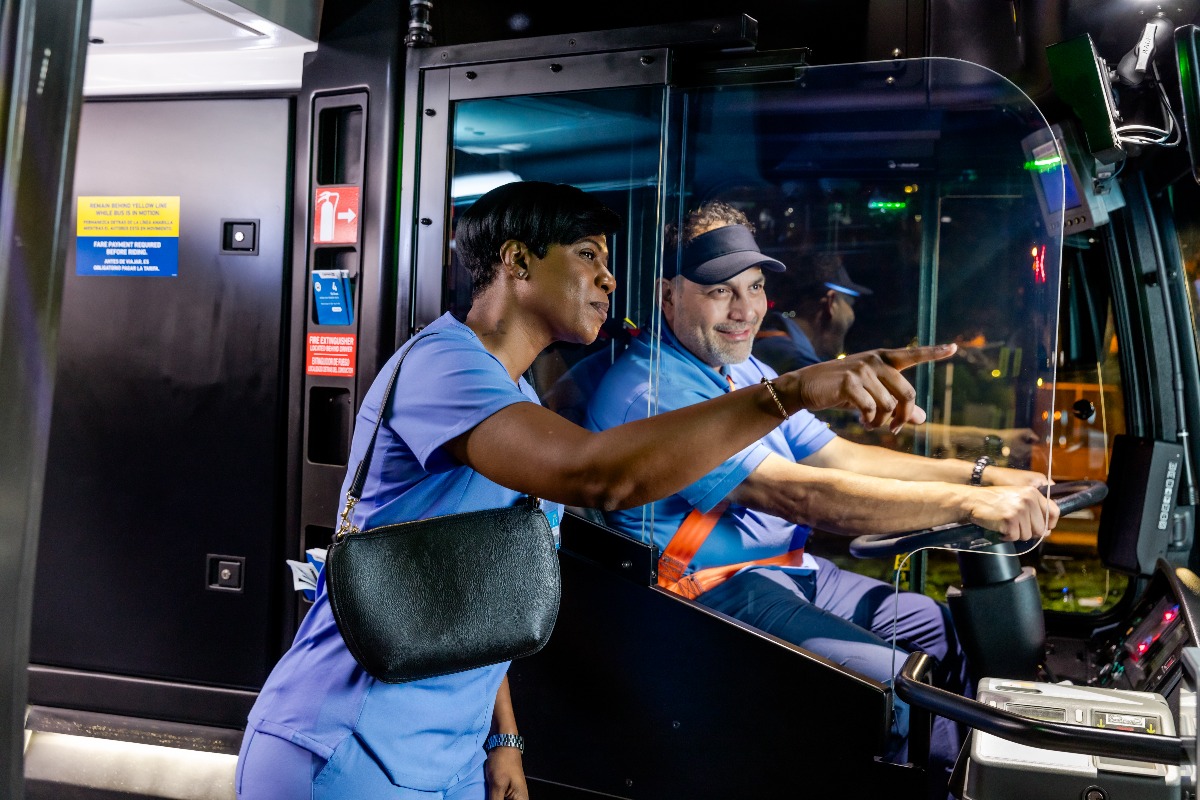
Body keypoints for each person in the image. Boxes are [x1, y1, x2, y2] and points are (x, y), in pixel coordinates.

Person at [235, 182, 955, 800]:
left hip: (445, 755)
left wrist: (502, 737)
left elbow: (482, 590)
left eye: (608, 262)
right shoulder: (443, 367)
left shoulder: (511, 393)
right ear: (517, 261)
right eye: (587, 256)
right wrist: (789, 392)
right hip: (348, 741)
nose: (610, 280)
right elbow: (599, 472)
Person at [584, 201, 1060, 795]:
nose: (745, 311)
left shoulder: (742, 372)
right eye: (720, 291)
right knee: (893, 687)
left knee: (934, 627)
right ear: (667, 295)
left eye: (755, 287)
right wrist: (967, 507)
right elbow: (802, 495)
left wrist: (981, 477)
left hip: (787, 571)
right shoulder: (655, 392)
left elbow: (840, 457)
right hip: (708, 595)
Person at [753, 250, 871, 372]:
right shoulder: (798, 363)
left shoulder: (771, 342)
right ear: (831, 302)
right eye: (849, 303)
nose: (851, 313)